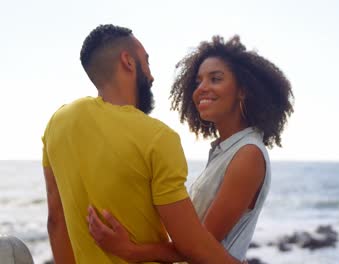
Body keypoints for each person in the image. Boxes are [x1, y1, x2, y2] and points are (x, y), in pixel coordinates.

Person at [42, 24, 244, 264]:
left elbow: (56, 221)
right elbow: (193, 245)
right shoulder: (158, 138)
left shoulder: (58, 123)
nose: (151, 75)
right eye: (146, 62)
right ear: (128, 61)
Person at [86, 35, 294, 262]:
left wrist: (130, 250)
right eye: (198, 82)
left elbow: (199, 245)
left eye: (215, 79)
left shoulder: (248, 155)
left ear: (242, 90)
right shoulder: (226, 151)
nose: (201, 89)